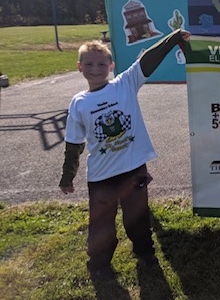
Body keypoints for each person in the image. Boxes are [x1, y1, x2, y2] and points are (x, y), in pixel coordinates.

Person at [59, 29, 190, 281]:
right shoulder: (79, 102)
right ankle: (98, 265)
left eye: (101, 63)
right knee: (101, 225)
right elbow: (73, 143)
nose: (95, 68)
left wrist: (172, 38)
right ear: (79, 67)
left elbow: (148, 60)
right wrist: (68, 176)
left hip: (133, 171)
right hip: (101, 177)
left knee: (137, 219)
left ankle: (146, 254)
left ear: (111, 66)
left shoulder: (125, 84)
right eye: (88, 64)